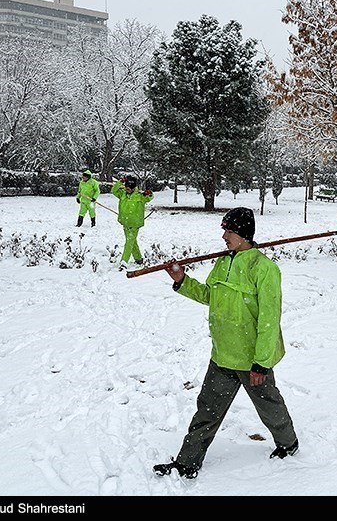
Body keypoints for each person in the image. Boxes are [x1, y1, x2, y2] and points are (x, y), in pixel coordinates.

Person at [153, 207, 299, 480]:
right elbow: (211, 296)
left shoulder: (264, 269)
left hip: (251, 358)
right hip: (222, 354)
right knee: (206, 411)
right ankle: (187, 462)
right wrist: (182, 281)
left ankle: (288, 444)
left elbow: (270, 319)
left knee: (270, 407)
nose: (224, 236)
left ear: (243, 234)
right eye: (224, 230)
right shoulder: (223, 262)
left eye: (229, 230)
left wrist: (261, 363)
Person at [110, 175, 153, 270]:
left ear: (134, 188)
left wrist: (149, 193)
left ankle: (124, 261)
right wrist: (120, 181)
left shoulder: (141, 196)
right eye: (126, 187)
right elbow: (113, 190)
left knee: (129, 242)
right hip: (125, 222)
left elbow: (150, 197)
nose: (127, 189)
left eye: (129, 188)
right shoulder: (122, 194)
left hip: (134, 223)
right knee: (132, 241)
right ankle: (138, 259)